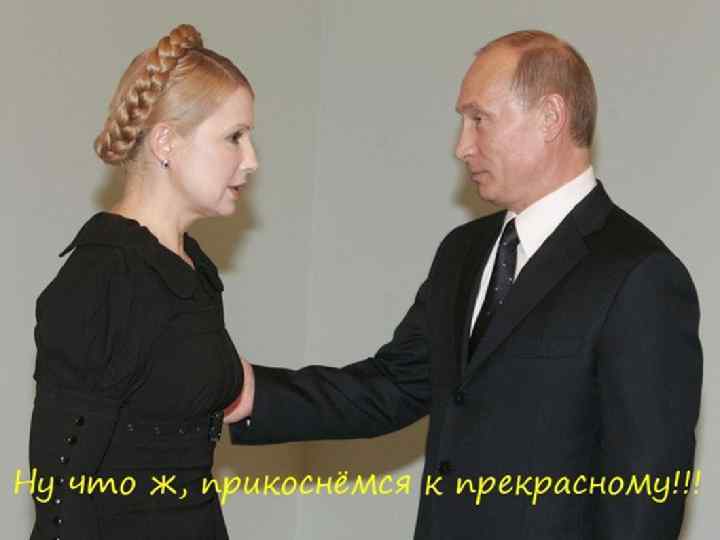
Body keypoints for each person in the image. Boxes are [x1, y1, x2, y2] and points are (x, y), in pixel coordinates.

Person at [225, 30, 703, 539]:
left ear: (550, 117)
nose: (461, 147)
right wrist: (245, 389)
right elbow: (393, 385)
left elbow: (645, 500)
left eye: (479, 119)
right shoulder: (464, 251)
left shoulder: (639, 275)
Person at [28, 24, 257, 540]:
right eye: (234, 137)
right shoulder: (104, 278)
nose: (251, 160)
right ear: (166, 142)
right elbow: (60, 495)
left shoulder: (190, 268)